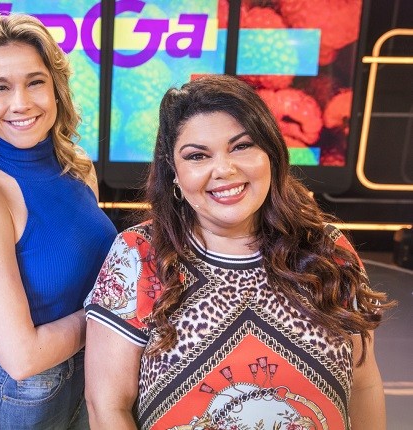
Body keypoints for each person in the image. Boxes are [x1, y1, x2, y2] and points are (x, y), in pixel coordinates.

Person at [84, 75, 394, 430]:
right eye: (197, 155)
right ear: (174, 174)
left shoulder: (327, 249)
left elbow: (363, 383)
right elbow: (107, 405)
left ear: (271, 154)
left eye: (241, 146)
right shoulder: (139, 256)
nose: (224, 170)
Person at [0, 13, 117, 429]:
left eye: (35, 82)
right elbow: (22, 357)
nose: (21, 102)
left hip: (90, 375)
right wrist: (117, 314)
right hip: (19, 400)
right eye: (0, 87)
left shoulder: (78, 167)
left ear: (56, 89)